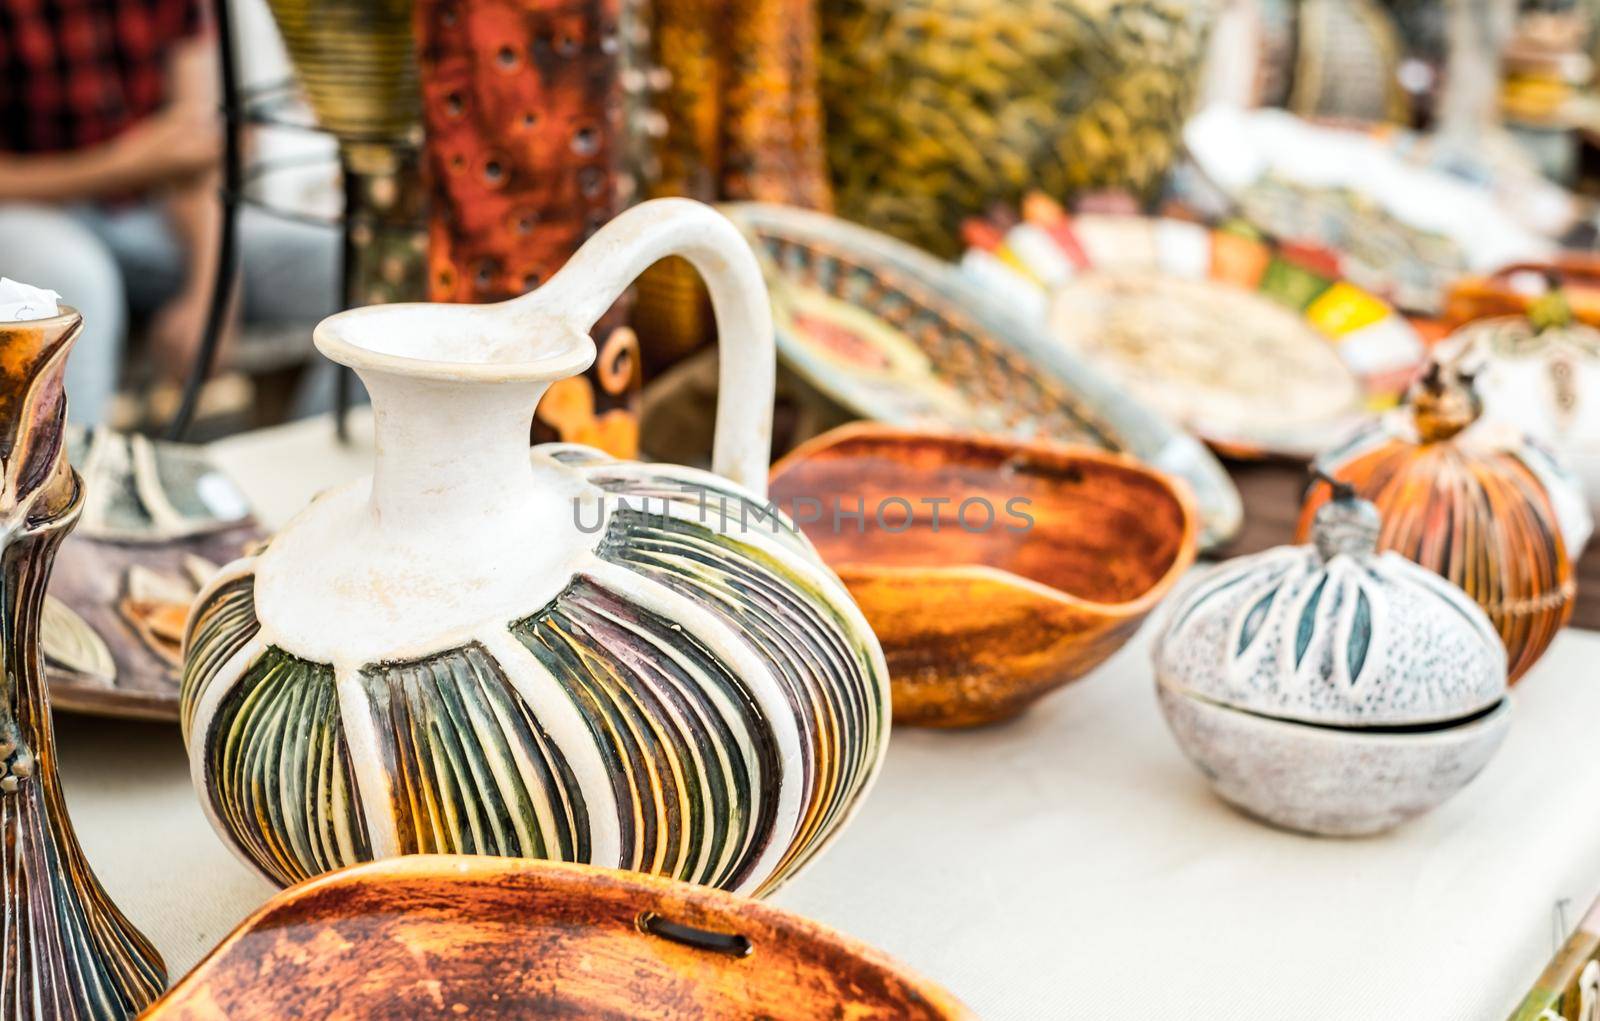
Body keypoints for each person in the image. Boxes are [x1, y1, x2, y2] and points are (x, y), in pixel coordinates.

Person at [0, 0, 338, 426]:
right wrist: (125, 165)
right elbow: (168, 154)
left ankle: (322, 474)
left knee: (352, 267)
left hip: (157, 209)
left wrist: (213, 294)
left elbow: (195, 151)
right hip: (27, 208)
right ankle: (68, 485)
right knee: (73, 280)